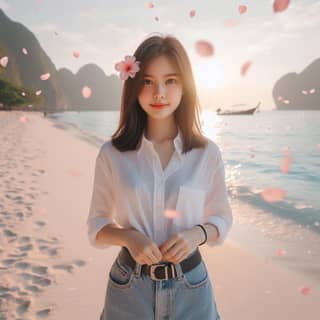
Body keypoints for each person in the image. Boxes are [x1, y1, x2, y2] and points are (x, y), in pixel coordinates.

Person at [86, 33, 233, 320]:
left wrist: (195, 235)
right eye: (148, 82)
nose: (159, 93)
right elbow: (97, 226)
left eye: (171, 80)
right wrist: (129, 237)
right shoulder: (111, 154)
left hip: (191, 285)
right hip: (129, 285)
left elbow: (222, 219)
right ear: (134, 85)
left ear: (185, 86)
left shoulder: (207, 153)